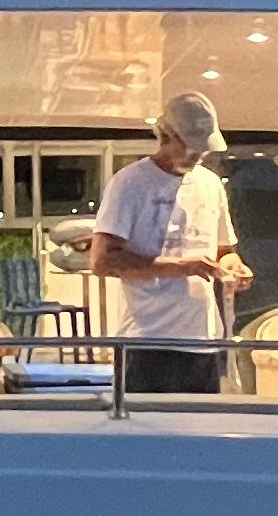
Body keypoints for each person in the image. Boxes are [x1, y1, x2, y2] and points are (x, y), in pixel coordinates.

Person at [88, 92, 249, 395]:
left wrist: (233, 268)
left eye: (203, 148)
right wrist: (183, 267)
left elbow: (224, 250)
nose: (196, 154)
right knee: (148, 436)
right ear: (165, 134)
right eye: (189, 145)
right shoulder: (130, 184)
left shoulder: (210, 184)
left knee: (199, 436)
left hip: (202, 339)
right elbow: (102, 261)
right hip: (148, 341)